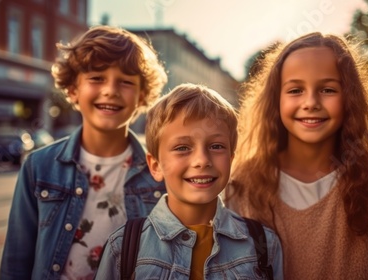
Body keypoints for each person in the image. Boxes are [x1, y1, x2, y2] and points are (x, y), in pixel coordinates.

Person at [225, 32, 368, 280]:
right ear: (275, 99)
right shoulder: (243, 184)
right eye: (295, 90)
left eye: (327, 89)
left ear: (349, 98)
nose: (311, 102)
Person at [0, 25, 168, 280]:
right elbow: (16, 263)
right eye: (97, 78)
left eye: (125, 81)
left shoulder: (161, 172)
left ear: (142, 95)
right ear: (73, 89)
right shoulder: (38, 166)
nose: (110, 90)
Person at [95, 83, 284, 279]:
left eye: (216, 146)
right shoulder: (123, 248)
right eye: (182, 148)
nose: (202, 160)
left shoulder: (264, 245)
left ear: (231, 160)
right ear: (156, 166)